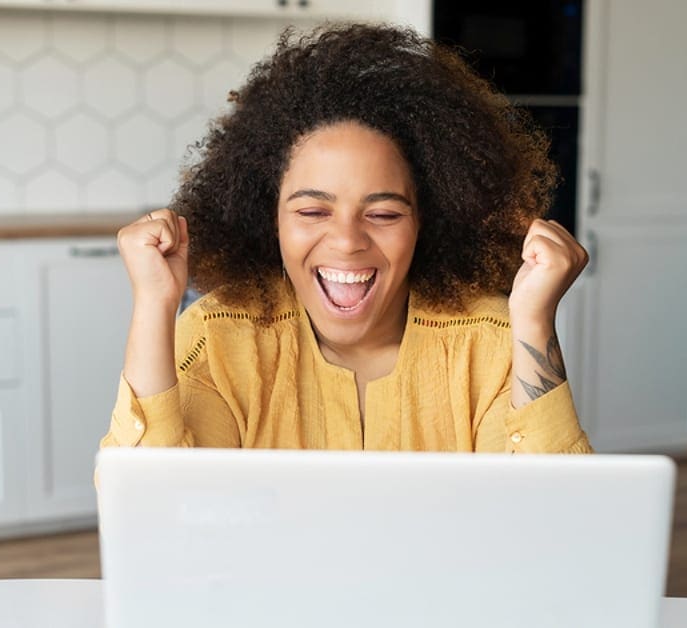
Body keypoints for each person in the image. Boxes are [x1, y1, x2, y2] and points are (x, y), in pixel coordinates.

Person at [100, 23, 592, 453]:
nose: (347, 240)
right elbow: (151, 502)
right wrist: (153, 306)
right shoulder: (219, 335)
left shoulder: (489, 340)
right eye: (313, 210)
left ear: (428, 220)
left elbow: (551, 520)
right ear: (269, 217)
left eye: (382, 213)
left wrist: (534, 320)